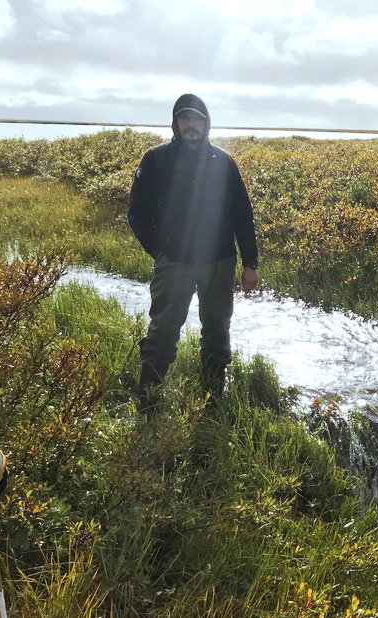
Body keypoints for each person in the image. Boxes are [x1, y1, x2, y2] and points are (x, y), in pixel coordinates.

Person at [127, 93, 259, 413]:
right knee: (163, 332)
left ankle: (213, 398)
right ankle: (149, 401)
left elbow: (243, 214)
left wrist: (250, 263)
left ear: (207, 124)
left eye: (197, 119)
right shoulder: (155, 159)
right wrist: (160, 250)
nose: (191, 125)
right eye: (185, 118)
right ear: (176, 122)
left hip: (219, 262)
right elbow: (137, 212)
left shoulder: (223, 162)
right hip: (174, 262)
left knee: (217, 331)